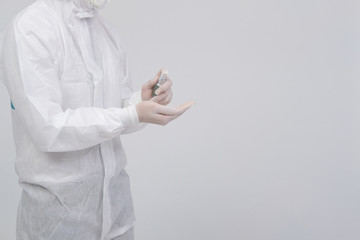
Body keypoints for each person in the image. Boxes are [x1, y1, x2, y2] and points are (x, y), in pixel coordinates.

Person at [0, 0, 194, 239]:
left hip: (116, 216)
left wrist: (142, 100)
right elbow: (48, 129)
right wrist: (131, 113)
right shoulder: (31, 29)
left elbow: (117, 112)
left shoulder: (106, 33)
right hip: (56, 222)